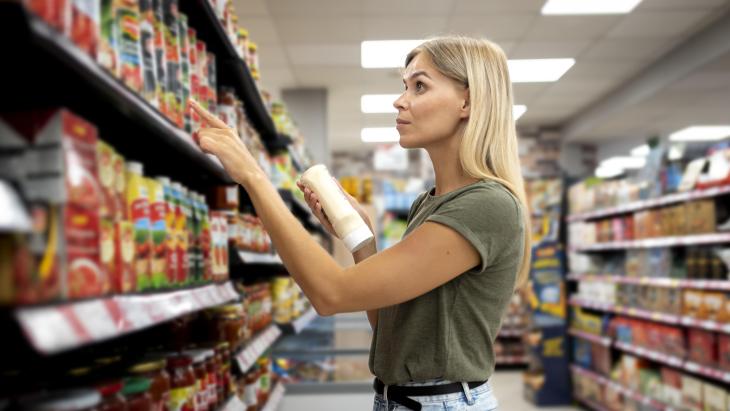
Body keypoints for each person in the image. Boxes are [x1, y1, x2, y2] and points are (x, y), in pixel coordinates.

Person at [190, 35, 531, 411]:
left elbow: (330, 294)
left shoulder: (486, 205)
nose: (400, 100)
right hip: (402, 399)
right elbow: (388, 327)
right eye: (404, 86)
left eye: (419, 86)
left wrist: (254, 178)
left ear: (467, 100)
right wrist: (359, 237)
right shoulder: (429, 203)